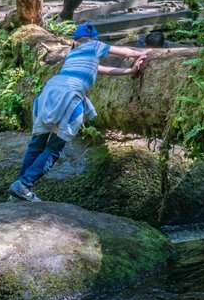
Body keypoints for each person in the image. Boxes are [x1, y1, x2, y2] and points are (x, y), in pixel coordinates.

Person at [8, 23, 149, 202]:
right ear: (94, 41)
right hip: (69, 95)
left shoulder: (73, 55)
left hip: (49, 92)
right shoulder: (96, 45)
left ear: (75, 42)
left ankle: (17, 189)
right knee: (54, 148)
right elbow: (125, 51)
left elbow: (104, 70)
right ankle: (24, 184)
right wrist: (146, 53)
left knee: (36, 145)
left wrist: (130, 70)